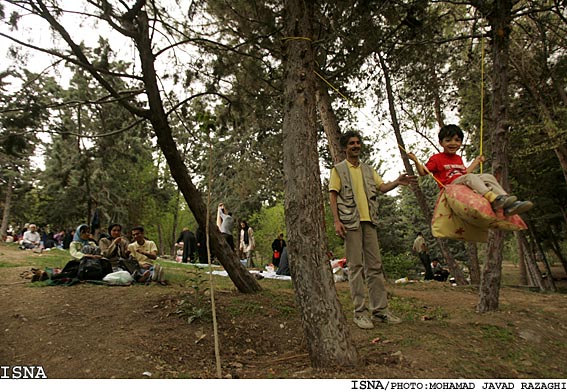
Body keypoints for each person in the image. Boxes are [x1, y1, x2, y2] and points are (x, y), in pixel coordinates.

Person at [329, 130, 416, 329]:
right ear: (345, 147)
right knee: (355, 267)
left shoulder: (368, 169)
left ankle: (380, 311)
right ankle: (360, 312)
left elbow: (382, 187)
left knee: (375, 267)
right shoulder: (339, 170)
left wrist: (397, 181)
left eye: (358, 142)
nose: (355, 146)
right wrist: (336, 221)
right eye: (351, 143)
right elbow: (333, 195)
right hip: (351, 223)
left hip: (369, 223)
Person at [407, 124, 533, 216]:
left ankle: (506, 202)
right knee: (471, 177)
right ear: (441, 143)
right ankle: (493, 199)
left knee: (487, 176)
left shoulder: (458, 158)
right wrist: (415, 161)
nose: (453, 143)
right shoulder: (437, 158)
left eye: (457, 140)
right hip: (450, 186)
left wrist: (476, 162)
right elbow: (423, 173)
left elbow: (464, 173)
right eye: (448, 140)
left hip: (462, 181)